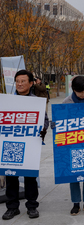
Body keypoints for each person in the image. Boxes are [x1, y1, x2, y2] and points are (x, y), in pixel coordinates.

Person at [2, 70, 49, 220]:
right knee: (11, 176)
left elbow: (45, 120)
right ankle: (12, 207)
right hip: (11, 143)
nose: (19, 84)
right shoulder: (7, 101)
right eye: (17, 81)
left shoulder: (37, 102)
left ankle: (32, 206)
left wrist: (43, 128)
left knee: (30, 178)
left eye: (23, 81)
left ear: (30, 83)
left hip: (30, 144)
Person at [62, 76, 84, 215]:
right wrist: (55, 124)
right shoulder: (67, 102)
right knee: (74, 174)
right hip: (73, 143)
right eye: (80, 92)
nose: (83, 94)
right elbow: (61, 122)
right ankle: (75, 203)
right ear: (74, 90)